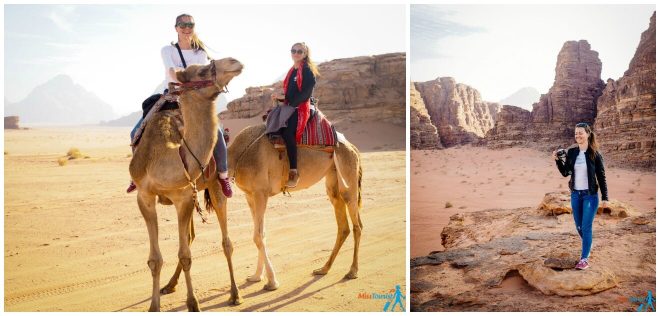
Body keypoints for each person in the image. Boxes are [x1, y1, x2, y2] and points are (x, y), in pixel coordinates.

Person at [126, 13, 233, 198]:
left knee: (217, 134)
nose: (186, 27)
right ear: (176, 28)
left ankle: (223, 175)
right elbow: (172, 71)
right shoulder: (168, 50)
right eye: (182, 24)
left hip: (194, 101)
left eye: (190, 24)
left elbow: (201, 75)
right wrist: (181, 78)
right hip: (172, 97)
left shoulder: (200, 54)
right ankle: (137, 175)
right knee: (136, 132)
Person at [553, 122, 609, 270]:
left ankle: (584, 259)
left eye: (581, 133)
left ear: (588, 134)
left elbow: (601, 176)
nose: (578, 135)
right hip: (576, 195)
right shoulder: (572, 152)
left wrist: (605, 197)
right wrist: (558, 161)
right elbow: (566, 173)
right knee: (579, 226)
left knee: (586, 226)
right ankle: (588, 244)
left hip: (590, 195)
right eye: (576, 133)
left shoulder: (595, 154)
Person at [266, 42, 319, 188]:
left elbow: (306, 93)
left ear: (305, 54)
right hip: (289, 105)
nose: (296, 53)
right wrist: (280, 97)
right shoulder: (292, 71)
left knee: (288, 133)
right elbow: (290, 92)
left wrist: (291, 104)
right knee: (271, 123)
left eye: (299, 51)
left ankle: (294, 171)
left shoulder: (308, 71)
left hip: (300, 107)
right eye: (293, 51)